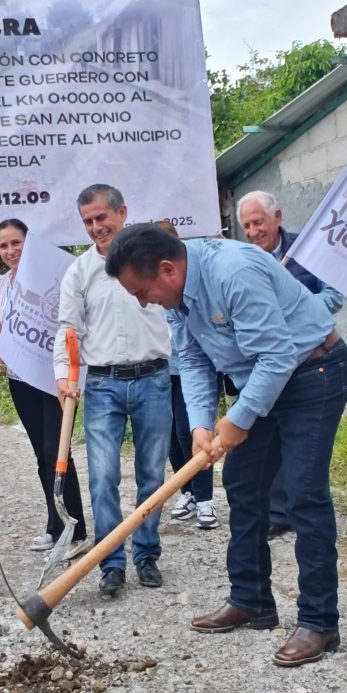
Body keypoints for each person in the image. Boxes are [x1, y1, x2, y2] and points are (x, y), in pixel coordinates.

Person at [105, 224, 347, 667]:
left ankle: (319, 621)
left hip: (312, 371)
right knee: (242, 483)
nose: (144, 302)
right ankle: (251, 599)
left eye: (143, 292)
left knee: (303, 493)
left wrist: (239, 419)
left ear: (167, 269)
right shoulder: (175, 296)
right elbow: (192, 359)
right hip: (263, 378)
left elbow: (278, 355)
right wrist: (201, 424)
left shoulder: (233, 272)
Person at [54, 185, 171, 597]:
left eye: (101, 217)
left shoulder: (151, 259)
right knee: (102, 478)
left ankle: (147, 555)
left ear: (122, 213)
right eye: (87, 221)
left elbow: (176, 309)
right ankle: (111, 563)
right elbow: (69, 328)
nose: (95, 227)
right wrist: (63, 375)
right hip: (102, 385)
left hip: (154, 379)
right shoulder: (79, 272)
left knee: (152, 475)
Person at [238, 190, 344, 540]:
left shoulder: (308, 250)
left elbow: (333, 296)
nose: (253, 232)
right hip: (267, 364)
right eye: (246, 226)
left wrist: (294, 308)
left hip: (310, 361)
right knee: (271, 439)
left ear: (277, 218)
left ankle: (303, 508)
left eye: (258, 223)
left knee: (303, 442)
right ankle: (278, 511)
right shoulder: (244, 261)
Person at [0, 218, 89, 556]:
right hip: (20, 379)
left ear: (28, 243)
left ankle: (73, 527)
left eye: (16, 243)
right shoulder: (0, 284)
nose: (10, 251)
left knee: (56, 451)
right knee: (41, 456)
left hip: (54, 378)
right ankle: (54, 525)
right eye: (3, 246)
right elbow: (1, 329)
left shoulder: (50, 275)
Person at [155, 221, 217, 530]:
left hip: (188, 369)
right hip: (160, 372)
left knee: (190, 432)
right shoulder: (146, 287)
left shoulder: (187, 285)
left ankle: (205, 500)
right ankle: (188, 492)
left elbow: (191, 345)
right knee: (170, 440)